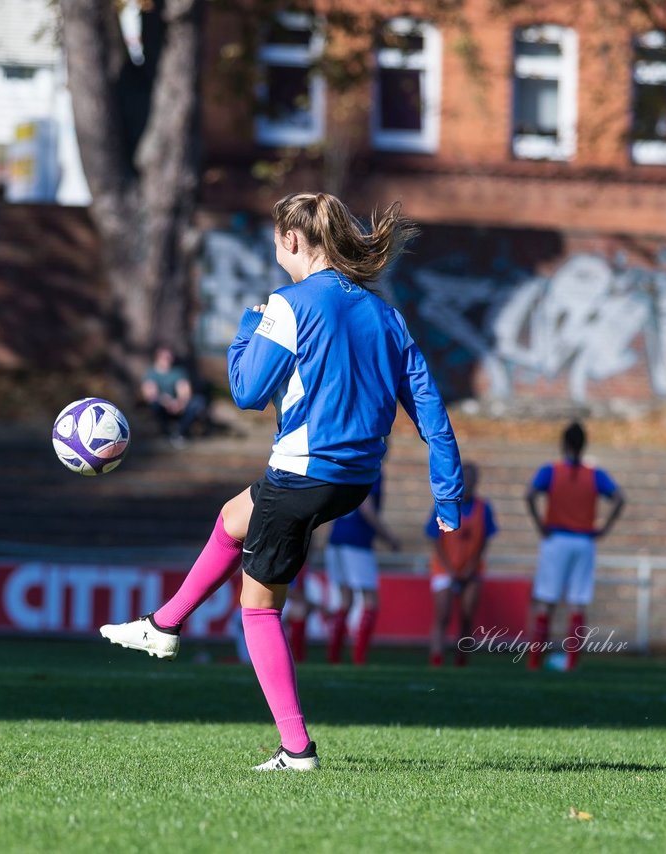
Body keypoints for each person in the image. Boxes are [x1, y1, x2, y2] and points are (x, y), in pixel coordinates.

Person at [100, 191, 463, 771]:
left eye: (276, 241)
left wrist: (248, 326)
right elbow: (430, 410)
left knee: (259, 607)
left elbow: (245, 392)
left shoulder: (287, 304)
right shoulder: (384, 312)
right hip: (353, 478)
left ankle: (297, 750)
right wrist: (448, 494)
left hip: (303, 472)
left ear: (292, 241)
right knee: (232, 516)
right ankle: (164, 624)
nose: (276, 251)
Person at [525, 422, 625, 671]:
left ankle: (535, 660)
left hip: (556, 539)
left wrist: (539, 523)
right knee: (577, 602)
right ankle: (571, 662)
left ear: (563, 443)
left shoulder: (551, 471)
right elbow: (619, 498)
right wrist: (605, 528)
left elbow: (529, 494)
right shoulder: (594, 474)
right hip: (584, 541)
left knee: (546, 600)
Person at [324, 472, 401, 666]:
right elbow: (367, 509)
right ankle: (359, 657)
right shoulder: (372, 468)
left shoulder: (348, 464)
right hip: (357, 542)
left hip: (336, 538)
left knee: (345, 599)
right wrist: (389, 537)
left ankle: (334, 656)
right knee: (370, 600)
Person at [427, 462, 496, 667]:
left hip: (471, 571)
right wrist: (449, 568)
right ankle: (437, 660)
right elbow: (435, 539)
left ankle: (461, 660)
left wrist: (470, 567)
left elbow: (484, 541)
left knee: (467, 615)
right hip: (444, 569)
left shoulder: (484, 508)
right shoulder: (444, 504)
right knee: (443, 614)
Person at [141, 347, 209, 446]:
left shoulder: (178, 372)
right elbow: (150, 394)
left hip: (178, 405)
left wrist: (179, 402)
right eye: (164, 357)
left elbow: (185, 391)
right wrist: (165, 401)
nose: (167, 360)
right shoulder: (151, 373)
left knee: (198, 402)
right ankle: (166, 433)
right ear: (157, 358)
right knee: (154, 404)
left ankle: (180, 433)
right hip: (161, 405)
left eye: (169, 357)